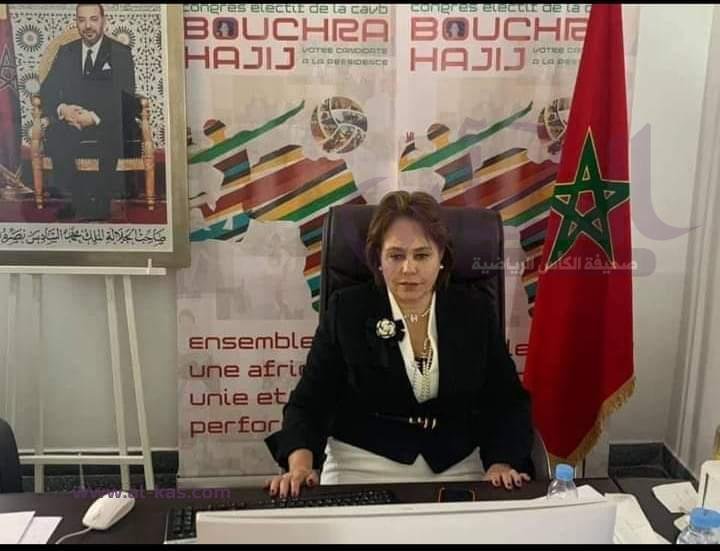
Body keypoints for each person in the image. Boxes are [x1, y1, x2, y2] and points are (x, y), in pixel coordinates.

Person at [265, 190, 534, 498]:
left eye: (422, 255)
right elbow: (310, 402)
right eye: (396, 256)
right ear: (378, 259)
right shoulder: (348, 311)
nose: (409, 268)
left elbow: (507, 401)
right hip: (361, 463)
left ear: (442, 258)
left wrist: (501, 463)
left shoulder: (473, 311)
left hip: (458, 464)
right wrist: (300, 466)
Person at [40, 3, 137, 221]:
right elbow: (46, 90)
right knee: (56, 135)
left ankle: (100, 204)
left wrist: (93, 118)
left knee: (112, 135)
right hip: (71, 121)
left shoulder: (120, 52)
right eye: (82, 20)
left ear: (103, 21)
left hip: (105, 121)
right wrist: (63, 110)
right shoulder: (66, 51)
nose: (88, 26)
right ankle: (75, 201)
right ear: (76, 22)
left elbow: (127, 98)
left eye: (93, 19)